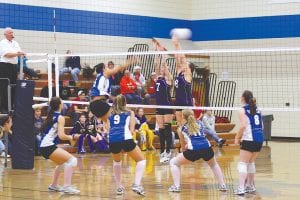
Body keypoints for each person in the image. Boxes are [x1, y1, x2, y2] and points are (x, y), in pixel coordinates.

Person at [90, 95, 146, 196]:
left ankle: (119, 187)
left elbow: (108, 129)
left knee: (117, 162)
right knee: (141, 160)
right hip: (126, 138)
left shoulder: (109, 115)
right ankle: (137, 184)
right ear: (125, 103)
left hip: (113, 140)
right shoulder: (130, 112)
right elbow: (132, 130)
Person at [168, 109, 227, 193]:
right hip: (207, 148)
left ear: (183, 118)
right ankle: (222, 185)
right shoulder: (200, 123)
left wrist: (183, 149)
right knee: (214, 165)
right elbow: (199, 137)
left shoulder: (181, 129)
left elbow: (183, 148)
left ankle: (176, 187)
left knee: (174, 162)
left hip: (193, 151)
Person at [40, 97, 80, 194]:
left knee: (62, 163)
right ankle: (67, 186)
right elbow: (61, 135)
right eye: (61, 102)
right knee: (72, 160)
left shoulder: (51, 115)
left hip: (44, 146)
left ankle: (54, 185)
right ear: (59, 105)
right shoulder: (60, 117)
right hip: (48, 146)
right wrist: (71, 137)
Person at [234, 90, 263, 195]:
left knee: (242, 163)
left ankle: (241, 188)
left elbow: (243, 125)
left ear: (243, 98)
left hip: (249, 139)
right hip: (259, 139)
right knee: (250, 163)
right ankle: (250, 186)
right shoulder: (258, 109)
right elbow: (261, 125)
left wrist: (237, 137)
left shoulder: (242, 110)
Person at [152, 39, 174, 163]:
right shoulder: (157, 79)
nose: (161, 70)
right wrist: (156, 50)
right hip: (159, 107)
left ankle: (168, 151)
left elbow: (163, 65)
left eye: (163, 69)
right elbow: (157, 64)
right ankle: (161, 152)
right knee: (160, 130)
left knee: (167, 129)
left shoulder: (168, 80)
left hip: (167, 106)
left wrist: (163, 55)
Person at [0, 27, 25, 113]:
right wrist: (18, 54)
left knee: (13, 86)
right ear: (5, 34)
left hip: (14, 66)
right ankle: (3, 108)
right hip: (4, 66)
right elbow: (7, 55)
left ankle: (12, 106)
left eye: (12, 32)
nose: (12, 34)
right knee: (4, 87)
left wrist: (19, 54)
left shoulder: (15, 43)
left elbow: (20, 53)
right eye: (10, 33)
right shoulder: (3, 43)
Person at [172, 36, 194, 126]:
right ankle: (181, 141)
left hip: (186, 104)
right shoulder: (179, 72)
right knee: (179, 126)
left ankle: (189, 140)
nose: (184, 64)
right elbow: (178, 60)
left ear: (189, 69)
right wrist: (175, 46)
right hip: (178, 103)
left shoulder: (188, 75)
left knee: (186, 126)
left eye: (186, 64)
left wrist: (178, 44)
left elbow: (183, 58)